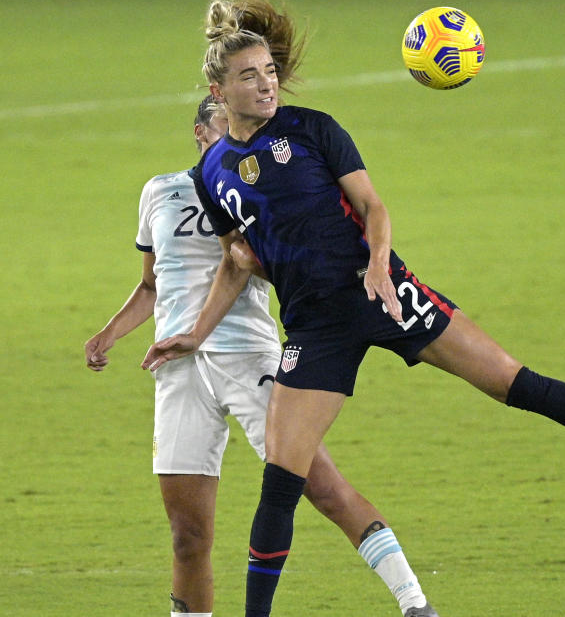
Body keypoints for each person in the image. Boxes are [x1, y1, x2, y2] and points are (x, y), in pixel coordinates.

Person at [142, 0, 565, 617]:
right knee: (282, 483)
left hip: (383, 293)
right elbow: (239, 259)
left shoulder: (313, 128)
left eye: (271, 73)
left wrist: (383, 266)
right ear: (218, 90)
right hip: (314, 325)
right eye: (250, 77)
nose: (266, 85)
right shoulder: (212, 173)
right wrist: (195, 334)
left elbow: (373, 208)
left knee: (514, 383)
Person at [86, 95, 439, 617]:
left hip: (250, 357)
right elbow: (151, 284)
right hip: (178, 370)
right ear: (199, 132)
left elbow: (291, 264)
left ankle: (414, 602)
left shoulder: (257, 189)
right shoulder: (159, 191)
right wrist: (108, 334)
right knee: (187, 534)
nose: (228, 143)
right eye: (219, 131)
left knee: (323, 487)